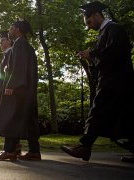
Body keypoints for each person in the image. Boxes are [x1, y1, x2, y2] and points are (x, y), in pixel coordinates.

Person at [61, 1, 134, 162]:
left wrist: (92, 54)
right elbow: (102, 60)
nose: (88, 26)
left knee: (97, 111)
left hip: (117, 82)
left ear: (96, 15)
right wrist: (90, 60)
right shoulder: (103, 33)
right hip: (112, 82)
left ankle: (84, 147)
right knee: (125, 120)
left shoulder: (115, 29)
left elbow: (114, 54)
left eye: (89, 22)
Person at [0, 20, 41, 161]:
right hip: (27, 90)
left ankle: (9, 150)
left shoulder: (19, 45)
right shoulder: (26, 46)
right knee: (29, 120)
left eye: (11, 28)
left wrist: (10, 85)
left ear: (18, 30)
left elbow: (18, 68)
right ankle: (34, 151)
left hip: (18, 89)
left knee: (11, 117)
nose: (9, 30)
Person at [0, 31, 22, 160]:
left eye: (3, 40)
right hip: (7, 90)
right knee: (10, 119)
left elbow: (7, 75)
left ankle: (9, 150)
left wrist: (1, 91)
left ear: (9, 41)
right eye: (0, 41)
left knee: (7, 119)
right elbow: (1, 76)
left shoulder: (11, 53)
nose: (0, 43)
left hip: (9, 91)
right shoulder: (7, 54)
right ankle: (15, 148)